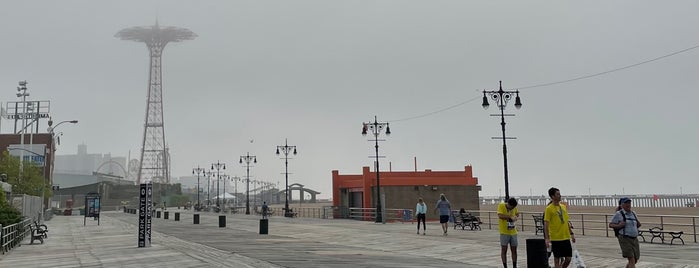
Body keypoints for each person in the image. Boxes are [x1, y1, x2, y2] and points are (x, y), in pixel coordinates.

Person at [544, 187, 575, 268]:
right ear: (552, 196)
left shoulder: (563, 207)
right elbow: (546, 224)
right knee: (557, 259)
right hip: (556, 238)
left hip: (565, 237)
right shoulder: (549, 209)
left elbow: (566, 221)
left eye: (559, 194)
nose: (560, 195)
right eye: (557, 194)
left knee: (568, 258)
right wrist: (547, 238)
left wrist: (571, 233)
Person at [609, 197, 641, 268]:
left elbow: (638, 224)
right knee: (631, 259)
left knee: (635, 259)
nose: (628, 204)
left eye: (629, 203)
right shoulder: (619, 214)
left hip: (634, 239)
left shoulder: (633, 213)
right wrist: (619, 225)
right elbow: (610, 224)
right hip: (624, 238)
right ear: (621, 205)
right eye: (626, 203)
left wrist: (636, 223)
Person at [497, 197, 520, 268]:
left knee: (514, 250)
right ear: (508, 204)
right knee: (504, 250)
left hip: (513, 232)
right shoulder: (501, 205)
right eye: (511, 207)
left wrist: (515, 217)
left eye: (513, 208)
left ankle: (514, 265)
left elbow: (517, 214)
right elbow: (500, 215)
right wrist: (510, 217)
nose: (512, 209)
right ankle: (505, 266)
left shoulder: (514, 208)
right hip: (504, 232)